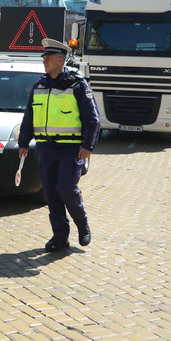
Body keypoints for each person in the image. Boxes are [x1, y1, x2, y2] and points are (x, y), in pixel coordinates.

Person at [18, 39, 101, 252]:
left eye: (48, 58)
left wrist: (88, 146)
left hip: (71, 148)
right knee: (51, 194)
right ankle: (60, 236)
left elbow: (92, 119)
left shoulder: (77, 85)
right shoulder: (39, 86)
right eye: (44, 57)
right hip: (45, 148)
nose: (44, 61)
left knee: (65, 188)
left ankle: (82, 225)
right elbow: (29, 117)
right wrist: (23, 142)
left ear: (60, 60)